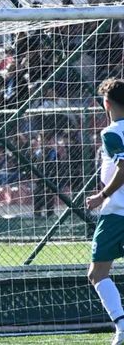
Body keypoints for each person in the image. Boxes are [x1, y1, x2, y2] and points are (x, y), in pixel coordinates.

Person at [86, 78, 124, 345]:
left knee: (97, 273)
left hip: (116, 213)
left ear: (106, 103)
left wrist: (101, 195)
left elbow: (123, 168)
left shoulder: (111, 132)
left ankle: (122, 326)